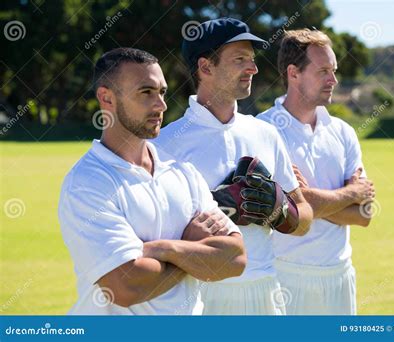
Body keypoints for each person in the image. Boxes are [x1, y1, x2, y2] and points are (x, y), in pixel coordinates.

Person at [58, 47, 246, 315]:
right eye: (146, 92)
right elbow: (125, 288)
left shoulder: (183, 173)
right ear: (106, 98)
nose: (161, 105)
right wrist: (193, 250)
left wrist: (164, 248)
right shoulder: (86, 183)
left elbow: (235, 259)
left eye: (162, 92)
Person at [153, 18, 313, 315]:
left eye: (252, 60)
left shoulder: (266, 133)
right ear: (205, 67)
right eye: (240, 59)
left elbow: (304, 218)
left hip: (266, 292)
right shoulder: (163, 145)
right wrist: (215, 210)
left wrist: (278, 210)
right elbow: (151, 238)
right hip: (199, 297)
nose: (252, 68)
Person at [257, 29, 376, 315]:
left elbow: (364, 214)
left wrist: (304, 199)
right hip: (285, 278)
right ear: (293, 73)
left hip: (340, 275)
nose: (333, 80)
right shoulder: (263, 130)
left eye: (333, 70)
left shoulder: (343, 132)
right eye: (323, 70)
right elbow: (284, 213)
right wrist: (350, 194)